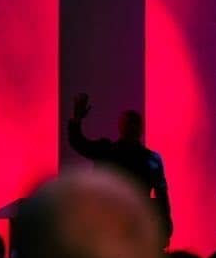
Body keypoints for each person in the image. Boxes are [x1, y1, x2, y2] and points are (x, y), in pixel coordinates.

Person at [67, 92, 172, 246]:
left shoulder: (110, 151)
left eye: (134, 123)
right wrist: (165, 224)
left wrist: (165, 225)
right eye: (130, 123)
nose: (132, 127)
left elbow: (161, 195)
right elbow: (161, 195)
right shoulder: (147, 158)